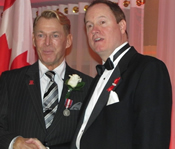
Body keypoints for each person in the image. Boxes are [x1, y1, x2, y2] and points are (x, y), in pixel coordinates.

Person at [26, 0, 172, 149]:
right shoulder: (96, 80)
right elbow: (84, 141)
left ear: (121, 26)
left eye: (102, 22)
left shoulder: (148, 69)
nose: (94, 30)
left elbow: (153, 141)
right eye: (89, 25)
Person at [0, 10, 92, 149]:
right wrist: (14, 142)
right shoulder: (9, 81)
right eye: (41, 35)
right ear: (33, 40)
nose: (47, 42)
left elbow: (93, 139)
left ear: (68, 41)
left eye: (55, 35)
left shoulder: (88, 86)